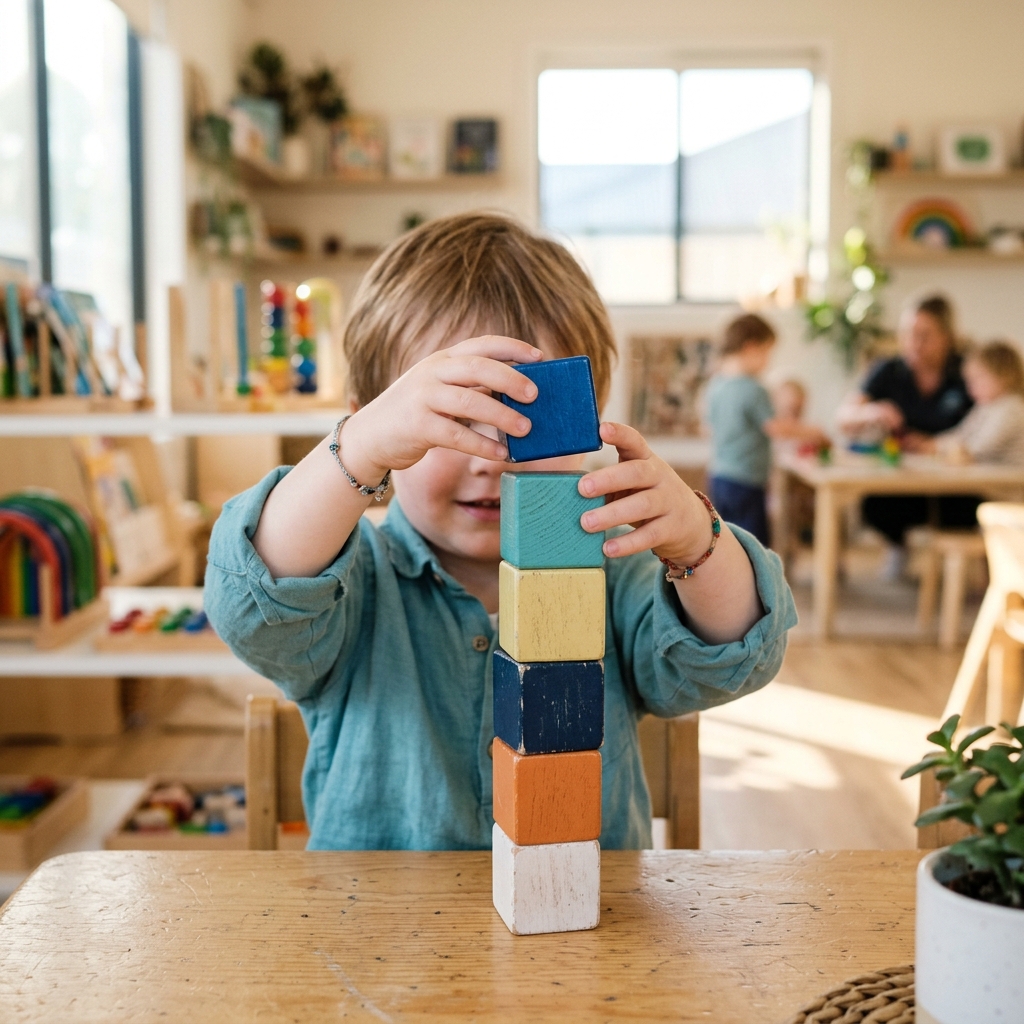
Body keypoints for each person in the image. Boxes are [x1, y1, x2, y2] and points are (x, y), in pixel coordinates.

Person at [204, 213, 797, 851]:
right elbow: (251, 604)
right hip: (383, 938)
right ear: (377, 427)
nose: (492, 457)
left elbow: (734, 656)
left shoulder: (620, 575)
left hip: (585, 939)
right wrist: (355, 451)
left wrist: (698, 547)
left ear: (588, 423)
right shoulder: (350, 585)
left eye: (531, 419)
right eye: (451, 417)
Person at [837, 294, 975, 576]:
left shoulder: (968, 372)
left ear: (948, 337)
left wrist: (932, 445)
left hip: (955, 481)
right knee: (873, 505)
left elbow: (986, 427)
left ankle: (959, 566)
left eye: (925, 335)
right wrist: (873, 410)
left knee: (969, 505)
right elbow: (844, 418)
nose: (914, 344)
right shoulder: (888, 370)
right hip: (899, 482)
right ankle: (897, 545)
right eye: (908, 334)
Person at [704, 314, 828, 546]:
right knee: (754, 545)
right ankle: (754, 582)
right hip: (746, 482)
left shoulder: (716, 385)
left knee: (725, 542)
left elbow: (708, 428)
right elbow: (777, 428)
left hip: (718, 477)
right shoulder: (754, 388)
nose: (768, 361)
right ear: (751, 347)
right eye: (768, 352)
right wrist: (814, 433)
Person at [906, 340, 1024, 467]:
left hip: (1011, 482)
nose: (970, 389)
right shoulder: (985, 407)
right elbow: (961, 434)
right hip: (990, 479)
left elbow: (977, 449)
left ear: (1004, 375)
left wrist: (939, 448)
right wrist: (932, 443)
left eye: (977, 379)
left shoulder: (1011, 408)